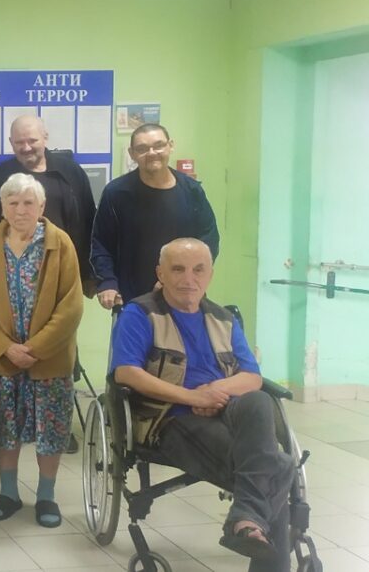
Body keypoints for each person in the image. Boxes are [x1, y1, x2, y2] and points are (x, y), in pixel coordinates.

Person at [110, 238, 288, 570]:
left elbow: (251, 376)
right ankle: (252, 531)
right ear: (160, 273)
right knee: (278, 467)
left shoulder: (223, 319)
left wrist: (214, 391)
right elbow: (126, 373)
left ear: (210, 275)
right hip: (170, 417)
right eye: (178, 269)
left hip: (225, 407)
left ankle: (246, 519)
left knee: (259, 401)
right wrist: (193, 397)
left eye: (198, 270)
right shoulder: (140, 314)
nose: (188, 279)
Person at [0, 173, 83, 528]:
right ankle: (8, 493)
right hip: (5, 359)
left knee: (52, 429)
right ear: (2, 207)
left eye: (28, 203)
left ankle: (46, 497)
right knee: (6, 426)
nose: (20, 210)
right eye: (13, 203)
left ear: (42, 206)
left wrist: (34, 348)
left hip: (49, 358)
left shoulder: (60, 243)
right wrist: (5, 348)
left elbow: (71, 307)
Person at [92, 123, 220, 310]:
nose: (151, 153)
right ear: (132, 153)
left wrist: (174, 281)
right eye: (142, 149)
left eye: (158, 145)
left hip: (184, 295)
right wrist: (107, 282)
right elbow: (101, 243)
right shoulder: (116, 193)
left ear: (170, 146)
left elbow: (208, 240)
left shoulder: (192, 191)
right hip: (131, 300)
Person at [0, 115, 96, 291]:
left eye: (32, 141)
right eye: (19, 142)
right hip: (12, 277)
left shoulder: (71, 172)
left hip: (63, 271)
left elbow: (89, 222)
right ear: (11, 142)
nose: (26, 148)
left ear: (45, 137)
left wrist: (90, 276)